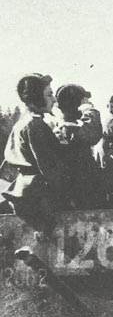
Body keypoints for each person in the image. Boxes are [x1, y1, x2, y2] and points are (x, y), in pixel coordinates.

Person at [2, 73, 71, 224]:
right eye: (49, 94)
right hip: (40, 200)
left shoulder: (21, 123)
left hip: (24, 195)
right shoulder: (35, 125)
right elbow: (49, 168)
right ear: (36, 96)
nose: (54, 99)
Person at [54, 84, 103, 208]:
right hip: (80, 189)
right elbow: (92, 133)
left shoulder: (64, 126)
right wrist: (88, 110)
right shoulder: (67, 128)